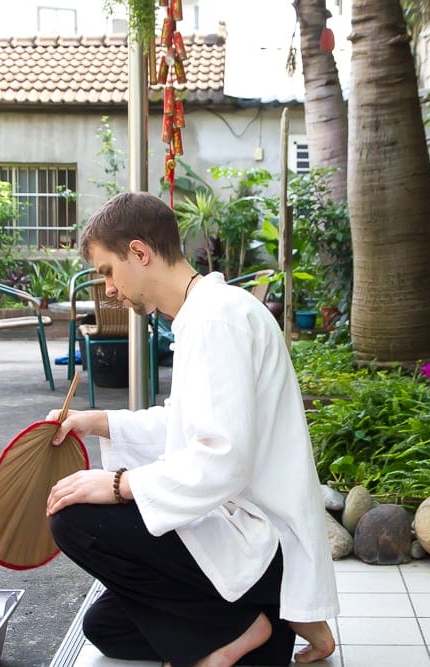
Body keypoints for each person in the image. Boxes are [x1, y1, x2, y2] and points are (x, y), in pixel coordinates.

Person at [44, 192, 338, 667]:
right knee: (105, 627)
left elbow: (220, 456)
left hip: (259, 541)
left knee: (74, 520)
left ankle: (235, 634)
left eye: (107, 272)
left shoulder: (216, 319)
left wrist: (119, 484)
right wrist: (95, 421)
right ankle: (261, 628)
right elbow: (187, 423)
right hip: (242, 534)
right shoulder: (207, 313)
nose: (109, 289)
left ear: (139, 253)